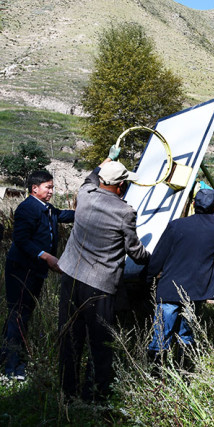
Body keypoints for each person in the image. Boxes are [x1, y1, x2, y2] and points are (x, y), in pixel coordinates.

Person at [57, 151, 150, 402]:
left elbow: (91, 175)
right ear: (121, 186)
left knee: (70, 336)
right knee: (100, 342)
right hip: (99, 285)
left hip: (70, 276)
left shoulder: (85, 195)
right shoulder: (125, 212)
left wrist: (108, 158)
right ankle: (96, 396)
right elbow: (136, 252)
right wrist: (151, 255)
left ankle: (68, 392)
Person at [2, 171, 74, 380]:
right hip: (22, 270)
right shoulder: (27, 208)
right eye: (48, 187)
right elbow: (21, 240)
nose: (51, 191)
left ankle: (6, 358)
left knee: (19, 315)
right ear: (35, 188)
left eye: (52, 187)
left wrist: (86, 212)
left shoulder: (47, 209)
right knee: (19, 316)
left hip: (35, 271)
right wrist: (46, 257)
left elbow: (62, 215)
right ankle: (12, 369)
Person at [146, 188, 214, 366]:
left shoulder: (176, 225)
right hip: (196, 291)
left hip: (169, 289)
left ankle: (156, 374)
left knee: (161, 335)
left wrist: (149, 277)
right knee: (186, 334)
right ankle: (184, 370)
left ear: (193, 204)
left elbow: (158, 256)